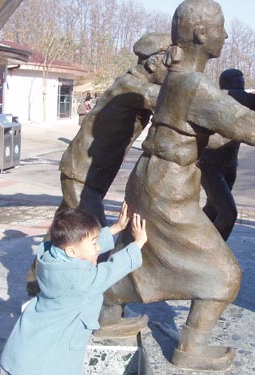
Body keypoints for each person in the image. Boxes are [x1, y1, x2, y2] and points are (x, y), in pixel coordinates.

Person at [103, 0, 255, 371]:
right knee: (223, 275)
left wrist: (229, 128)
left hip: (156, 182)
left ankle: (107, 308)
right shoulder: (194, 85)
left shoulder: (179, 79)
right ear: (201, 34)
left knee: (147, 256)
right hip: (166, 191)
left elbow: (199, 137)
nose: (226, 35)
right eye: (221, 27)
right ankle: (189, 350)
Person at [25, 32, 171, 331]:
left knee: (64, 225)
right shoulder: (133, 85)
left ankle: (35, 278)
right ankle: (102, 314)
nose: (171, 68)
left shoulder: (134, 83)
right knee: (95, 240)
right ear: (154, 62)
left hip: (88, 173)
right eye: (168, 62)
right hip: (83, 174)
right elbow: (175, 103)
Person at [0, 202, 147, 375]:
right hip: (42, 366)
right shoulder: (81, 281)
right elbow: (113, 269)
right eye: (94, 244)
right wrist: (139, 243)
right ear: (72, 252)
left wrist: (116, 228)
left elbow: (77, 244)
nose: (98, 248)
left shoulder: (48, 256)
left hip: (20, 354)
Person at [198, 68, 255, 240]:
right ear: (226, 85)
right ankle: (213, 253)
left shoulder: (238, 100)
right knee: (228, 212)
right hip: (209, 166)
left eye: (243, 85)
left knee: (212, 209)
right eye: (238, 85)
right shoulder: (223, 97)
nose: (241, 89)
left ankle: (195, 241)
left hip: (229, 166)